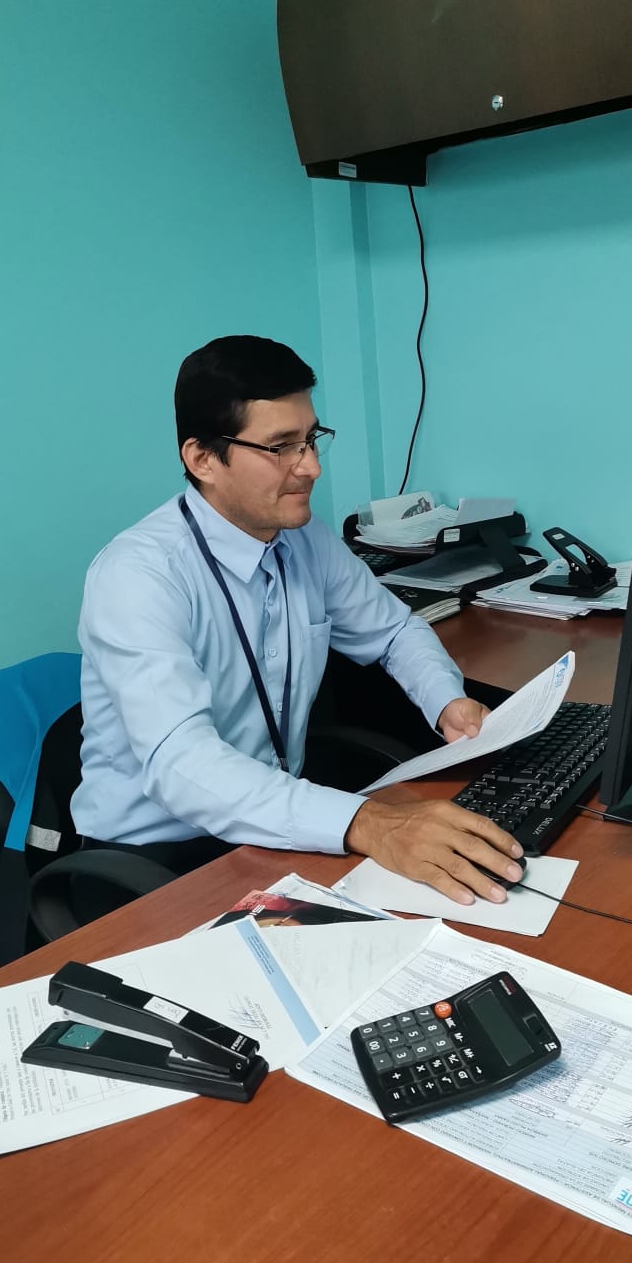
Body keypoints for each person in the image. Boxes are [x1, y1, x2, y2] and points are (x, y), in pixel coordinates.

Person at [72, 335, 524, 904]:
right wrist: (366, 822)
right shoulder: (138, 575)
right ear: (203, 459)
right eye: (281, 447)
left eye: (311, 439)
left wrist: (446, 701)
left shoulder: (303, 537)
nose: (310, 467)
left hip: (269, 829)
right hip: (155, 862)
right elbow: (182, 766)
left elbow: (393, 631)